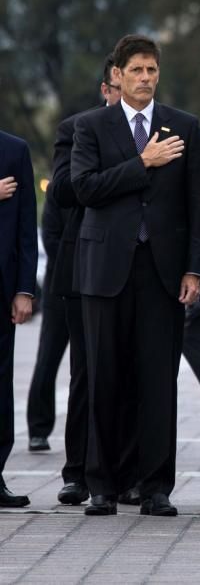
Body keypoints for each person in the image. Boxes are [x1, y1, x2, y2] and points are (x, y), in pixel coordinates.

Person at [71, 33, 200, 517]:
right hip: (106, 270)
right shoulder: (91, 126)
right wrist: (142, 163)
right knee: (104, 377)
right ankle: (102, 485)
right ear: (117, 75)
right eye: (136, 70)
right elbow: (84, 188)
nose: (146, 78)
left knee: (157, 381)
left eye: (152, 70)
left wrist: (194, 268)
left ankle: (155, 487)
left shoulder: (183, 126)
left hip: (164, 273)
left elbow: (198, 204)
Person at [46, 54, 122, 506]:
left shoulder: (158, 130)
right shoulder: (77, 129)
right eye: (117, 86)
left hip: (136, 264)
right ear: (107, 85)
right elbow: (64, 190)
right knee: (87, 373)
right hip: (86, 266)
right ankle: (78, 471)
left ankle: (126, 469)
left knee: (133, 373)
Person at [0, 128, 37, 508]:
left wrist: (25, 289)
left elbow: (28, 225)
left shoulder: (15, 148)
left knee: (0, 385)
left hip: (3, 289)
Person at [25, 186, 70, 453]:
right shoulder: (58, 189)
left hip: (94, 286)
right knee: (48, 358)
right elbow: (51, 239)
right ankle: (38, 428)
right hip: (59, 287)